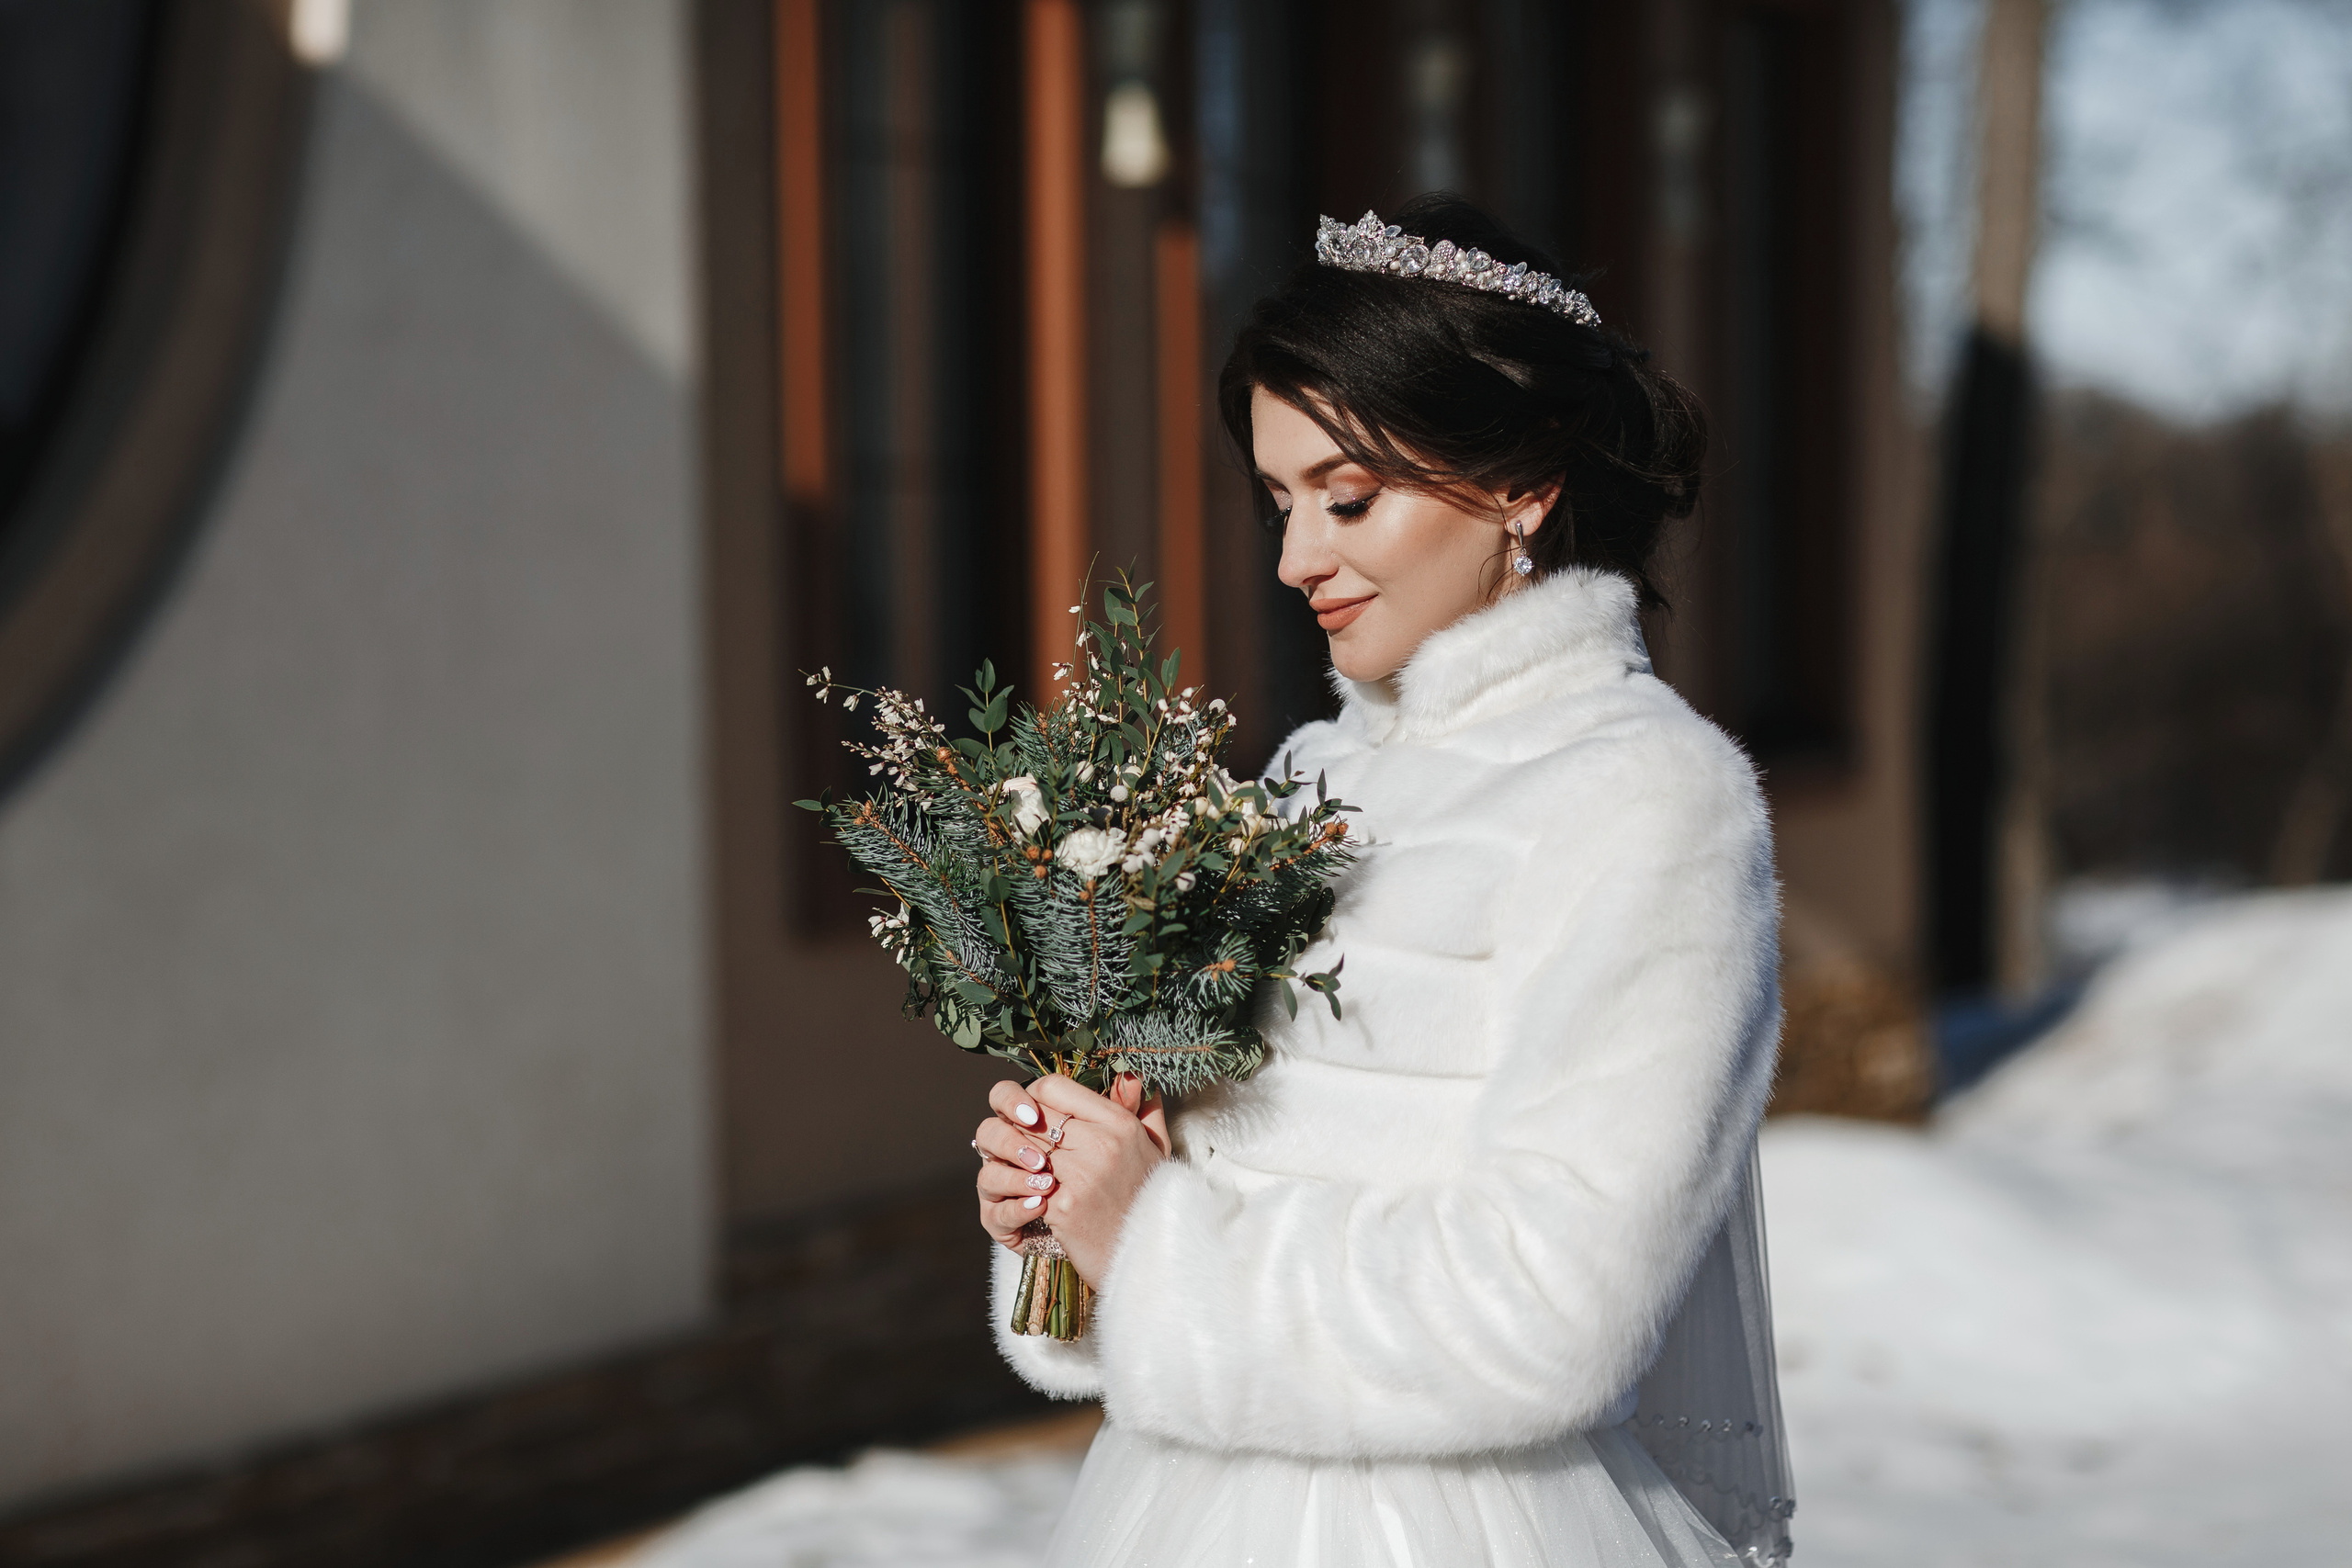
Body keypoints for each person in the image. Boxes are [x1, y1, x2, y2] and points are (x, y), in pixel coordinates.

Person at [970, 194, 1792, 1567]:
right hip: (1186, 1505)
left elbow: (1550, 1310)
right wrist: (1076, 1214)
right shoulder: (1302, 776)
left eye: (1348, 498)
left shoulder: (1651, 799)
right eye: (1280, 500)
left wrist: (1157, 1243)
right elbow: (1217, 1183)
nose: (1296, 560)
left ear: (1525, 485)